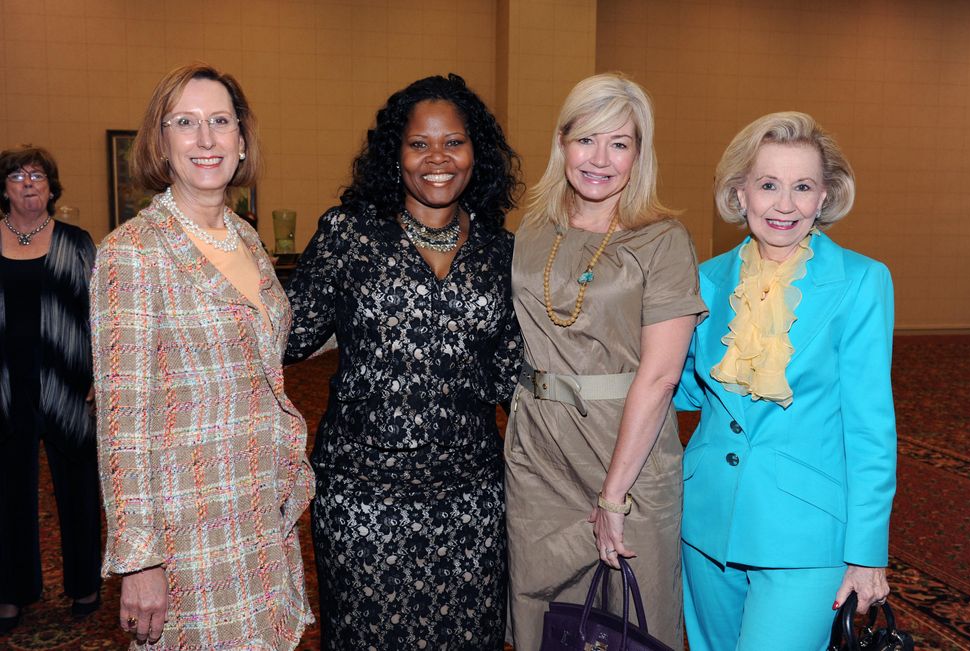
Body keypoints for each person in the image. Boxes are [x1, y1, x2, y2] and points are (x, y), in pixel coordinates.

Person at [284, 73, 523, 649]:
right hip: (364, 497)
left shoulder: (500, 250)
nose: (436, 158)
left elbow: (513, 375)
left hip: (471, 497)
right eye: (418, 143)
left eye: (454, 142)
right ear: (395, 155)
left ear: (476, 154)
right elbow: (285, 339)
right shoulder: (349, 233)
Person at [90, 63, 315, 648]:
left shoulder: (246, 239)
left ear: (242, 140)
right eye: (185, 123)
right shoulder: (133, 252)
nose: (206, 139)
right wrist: (139, 560)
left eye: (220, 121)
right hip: (186, 531)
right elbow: (122, 422)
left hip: (260, 512)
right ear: (161, 143)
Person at [675, 111, 895, 650]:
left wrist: (866, 552)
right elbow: (683, 391)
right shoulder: (704, 279)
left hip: (807, 533)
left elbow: (870, 428)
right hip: (706, 522)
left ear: (824, 198)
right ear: (739, 193)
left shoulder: (862, 281)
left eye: (803, 187)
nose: (784, 204)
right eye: (768, 185)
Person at [505, 72, 707, 650]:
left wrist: (613, 495)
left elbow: (663, 373)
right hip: (538, 453)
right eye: (586, 139)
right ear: (561, 143)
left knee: (633, 619)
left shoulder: (662, 239)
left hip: (629, 454)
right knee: (537, 607)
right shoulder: (533, 230)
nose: (600, 159)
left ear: (639, 155)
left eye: (620, 144)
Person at [0, 145, 101, 634]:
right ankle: (10, 593)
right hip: (3, 388)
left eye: (38, 175)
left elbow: (103, 316)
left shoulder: (78, 243)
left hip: (68, 382)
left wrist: (101, 375)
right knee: (5, 494)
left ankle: (84, 584)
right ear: (4, 189)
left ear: (51, 187)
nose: (28, 183)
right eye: (17, 175)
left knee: (79, 488)